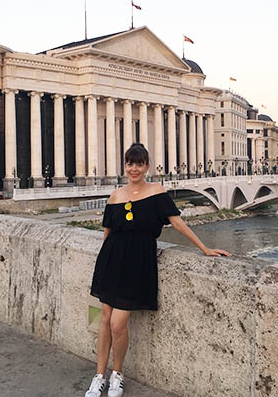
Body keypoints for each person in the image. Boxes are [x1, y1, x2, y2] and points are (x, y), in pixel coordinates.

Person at [85, 143, 231, 397]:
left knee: (118, 324)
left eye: (139, 164)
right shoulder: (116, 196)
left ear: (147, 167)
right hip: (111, 261)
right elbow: (108, 232)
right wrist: (103, 261)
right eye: (130, 163)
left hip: (137, 264)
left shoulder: (156, 192)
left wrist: (204, 248)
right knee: (104, 320)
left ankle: (117, 374)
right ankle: (99, 376)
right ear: (125, 166)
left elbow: (177, 222)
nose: (134, 169)